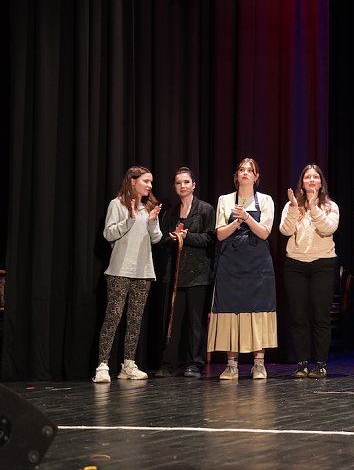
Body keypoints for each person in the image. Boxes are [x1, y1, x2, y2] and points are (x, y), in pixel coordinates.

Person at [207, 158, 278, 380]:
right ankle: (231, 365)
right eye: (241, 170)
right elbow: (220, 234)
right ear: (236, 176)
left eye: (250, 170)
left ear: (256, 177)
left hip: (258, 265)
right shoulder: (225, 200)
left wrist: (246, 217)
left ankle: (259, 364)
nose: (245, 173)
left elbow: (264, 232)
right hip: (231, 264)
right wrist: (236, 223)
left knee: (258, 309)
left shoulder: (265, 200)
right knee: (231, 310)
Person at [93, 166, 163, 383]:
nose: (150, 186)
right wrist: (130, 219)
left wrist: (152, 221)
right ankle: (102, 365)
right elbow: (108, 234)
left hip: (143, 271)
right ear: (133, 181)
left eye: (151, 182)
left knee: (135, 320)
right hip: (119, 270)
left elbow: (156, 238)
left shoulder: (149, 207)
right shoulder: (117, 204)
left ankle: (129, 364)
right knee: (113, 317)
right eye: (146, 181)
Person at [280, 164, 340, 379]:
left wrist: (314, 208)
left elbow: (328, 228)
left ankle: (321, 363)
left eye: (316, 177)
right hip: (295, 265)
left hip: (322, 265)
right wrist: (294, 208)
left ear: (321, 183)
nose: (312, 180)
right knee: (298, 316)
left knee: (320, 316)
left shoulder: (330, 206)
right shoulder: (292, 205)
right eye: (308, 177)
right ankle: (302, 363)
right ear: (302, 182)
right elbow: (285, 230)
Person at [154, 167, 216, 379]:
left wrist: (186, 237)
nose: (183, 186)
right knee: (172, 319)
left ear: (194, 185)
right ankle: (168, 363)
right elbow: (162, 240)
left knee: (195, 322)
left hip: (198, 273)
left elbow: (210, 238)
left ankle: (195, 363)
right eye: (179, 183)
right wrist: (172, 238)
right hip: (175, 273)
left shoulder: (205, 209)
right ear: (174, 186)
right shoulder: (170, 213)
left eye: (186, 182)